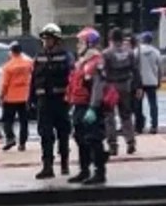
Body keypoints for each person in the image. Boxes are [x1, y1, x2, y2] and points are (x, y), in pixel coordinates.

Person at [30, 24, 73, 179]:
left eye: (49, 38)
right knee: (45, 135)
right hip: (44, 101)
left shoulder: (66, 56)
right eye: (45, 38)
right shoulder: (39, 56)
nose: (46, 41)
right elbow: (34, 79)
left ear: (56, 40)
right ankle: (47, 166)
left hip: (60, 101)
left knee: (63, 134)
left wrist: (70, 98)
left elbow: (72, 79)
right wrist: (31, 99)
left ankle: (64, 164)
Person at [67, 27, 107, 185]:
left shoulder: (96, 61)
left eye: (81, 42)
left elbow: (98, 86)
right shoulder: (82, 62)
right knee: (80, 138)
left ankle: (99, 172)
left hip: (90, 107)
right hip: (79, 105)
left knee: (93, 139)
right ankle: (84, 170)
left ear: (89, 43)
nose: (78, 45)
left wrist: (93, 107)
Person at [101, 28, 137, 156]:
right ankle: (130, 141)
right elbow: (135, 70)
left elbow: (102, 72)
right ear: (122, 39)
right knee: (126, 115)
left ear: (111, 39)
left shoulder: (106, 53)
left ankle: (112, 145)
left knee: (109, 116)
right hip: (126, 86)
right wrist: (138, 87)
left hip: (111, 87)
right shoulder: (130, 52)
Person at [0, 41, 33, 151]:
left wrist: (1, 96)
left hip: (10, 97)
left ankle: (10, 138)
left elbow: (5, 83)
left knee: (8, 120)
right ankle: (22, 143)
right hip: (25, 96)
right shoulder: (28, 63)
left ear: (11, 52)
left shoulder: (8, 66)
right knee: (24, 121)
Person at [136, 32, 162, 134]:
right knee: (153, 104)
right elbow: (160, 69)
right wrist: (158, 81)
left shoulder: (136, 51)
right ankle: (154, 126)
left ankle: (139, 126)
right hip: (152, 81)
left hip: (139, 82)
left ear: (142, 40)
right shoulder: (156, 52)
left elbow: (134, 67)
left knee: (138, 105)